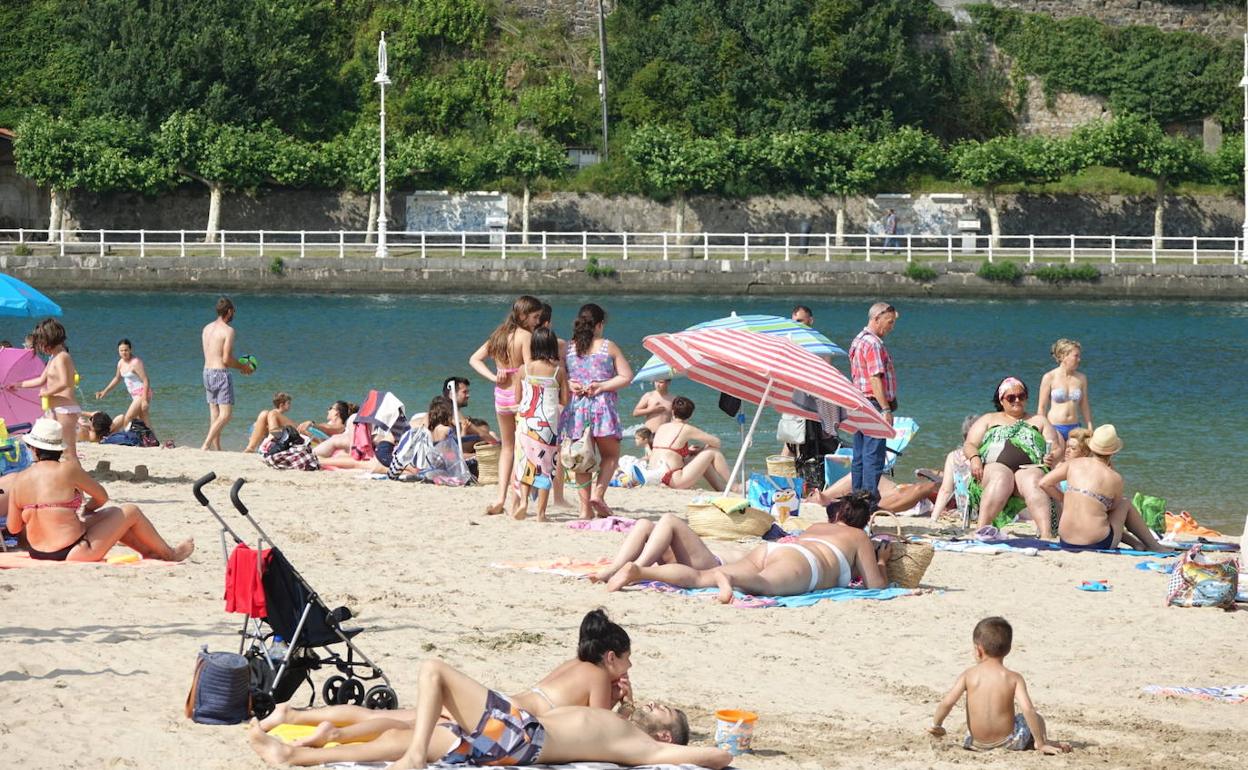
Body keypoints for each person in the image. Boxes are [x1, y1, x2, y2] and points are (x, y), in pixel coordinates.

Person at [260, 608, 635, 752]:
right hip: (509, 717)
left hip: (508, 701)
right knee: (399, 723)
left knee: (408, 716)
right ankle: (333, 735)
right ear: (610, 656)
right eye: (626, 660)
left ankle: (291, 716)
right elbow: (601, 732)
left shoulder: (575, 663)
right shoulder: (599, 675)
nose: (629, 667)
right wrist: (625, 704)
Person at [248, 658, 725, 770]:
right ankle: (296, 758)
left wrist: (723, 744)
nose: (652, 704)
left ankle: (414, 759)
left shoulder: (642, 747)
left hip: (523, 735)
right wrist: (628, 704)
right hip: (511, 744)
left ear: (667, 737)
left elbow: (716, 759)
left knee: (434, 671)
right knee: (404, 738)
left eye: (662, 711)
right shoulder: (622, 725)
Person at [608, 492, 892, 603]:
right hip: (806, 563)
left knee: (698, 580)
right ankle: (728, 579)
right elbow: (876, 587)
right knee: (762, 585)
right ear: (860, 523)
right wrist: (881, 561)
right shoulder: (858, 537)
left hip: (775, 549)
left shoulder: (816, 528)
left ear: (837, 516)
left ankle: (641, 570)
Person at [5, 419, 193, 562]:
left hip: (37, 552)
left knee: (111, 515)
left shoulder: (20, 478)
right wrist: (87, 509)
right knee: (130, 511)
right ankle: (170, 553)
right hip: (72, 551)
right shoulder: (68, 469)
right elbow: (101, 497)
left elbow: (13, 527)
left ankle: (149, 552)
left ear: (33, 449)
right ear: (58, 449)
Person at [928, 617, 1071, 754]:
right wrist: (1040, 741)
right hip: (1009, 742)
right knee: (1036, 717)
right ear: (1008, 649)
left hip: (975, 742)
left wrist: (937, 725)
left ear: (978, 650)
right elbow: (1028, 709)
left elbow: (947, 702)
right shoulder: (1014, 678)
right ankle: (1041, 742)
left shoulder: (968, 675)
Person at [559, 303, 633, 519]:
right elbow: (626, 377)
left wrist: (571, 383)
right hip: (602, 407)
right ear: (600, 325)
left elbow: (560, 376)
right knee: (610, 455)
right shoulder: (608, 347)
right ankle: (598, 494)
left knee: (581, 458)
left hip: (577, 408)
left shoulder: (569, 349)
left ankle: (584, 511)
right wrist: (601, 385)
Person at [964, 377, 1062, 539]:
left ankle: (1046, 534)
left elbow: (1057, 448)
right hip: (993, 469)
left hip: (1028, 470)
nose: (1017, 400)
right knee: (1002, 475)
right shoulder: (989, 419)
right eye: (1011, 397)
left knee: (1033, 480)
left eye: (1021, 396)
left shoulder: (1039, 420)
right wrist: (975, 458)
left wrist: (1051, 457)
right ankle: (981, 530)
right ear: (1001, 400)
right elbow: (970, 444)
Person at [470, 295, 542, 515]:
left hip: (501, 395)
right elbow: (529, 369)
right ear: (523, 315)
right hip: (521, 397)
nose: (537, 321)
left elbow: (474, 359)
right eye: (535, 316)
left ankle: (500, 498)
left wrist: (493, 377)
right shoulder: (526, 336)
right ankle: (517, 499)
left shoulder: (499, 335)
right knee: (524, 449)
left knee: (507, 447)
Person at [591, 512, 749, 587]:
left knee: (669, 520)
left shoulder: (755, 555)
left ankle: (635, 569)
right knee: (645, 523)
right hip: (702, 562)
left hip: (710, 568)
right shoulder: (760, 553)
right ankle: (615, 569)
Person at [1037, 424, 1130, 550]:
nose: (1067, 450)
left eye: (1072, 448)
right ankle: (1152, 544)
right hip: (1097, 542)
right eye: (1067, 446)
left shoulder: (1072, 465)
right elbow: (1114, 507)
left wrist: (1065, 498)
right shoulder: (1114, 477)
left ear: (1088, 449)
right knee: (1124, 504)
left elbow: (1043, 483)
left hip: (1065, 540)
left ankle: (1139, 543)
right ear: (1113, 452)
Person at [512, 328, 568, 521]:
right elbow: (565, 400)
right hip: (547, 426)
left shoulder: (523, 369)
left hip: (525, 422)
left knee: (525, 463)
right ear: (552, 346)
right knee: (545, 467)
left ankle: (524, 503)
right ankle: (541, 514)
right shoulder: (558, 371)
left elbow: (517, 397)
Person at [847, 302, 899, 499]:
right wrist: (886, 409)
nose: (891, 327)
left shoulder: (858, 341)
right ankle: (868, 499)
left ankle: (856, 498)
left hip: (858, 403)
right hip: (873, 403)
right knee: (873, 456)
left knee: (860, 455)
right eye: (889, 322)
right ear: (876, 318)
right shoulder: (873, 343)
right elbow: (875, 377)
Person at [11, 319, 81, 462]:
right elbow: (41, 380)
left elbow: (65, 382)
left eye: (42, 344)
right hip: (53, 408)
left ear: (51, 340)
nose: (41, 348)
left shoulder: (62, 357)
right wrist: (18, 384)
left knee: (68, 452)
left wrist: (47, 392)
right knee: (43, 444)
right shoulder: (53, 358)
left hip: (65, 409)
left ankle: (79, 482)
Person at [201, 296, 255, 451]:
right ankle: (206, 444)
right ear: (229, 311)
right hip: (220, 373)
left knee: (214, 412)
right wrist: (243, 367)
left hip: (206, 372)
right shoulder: (228, 331)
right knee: (226, 415)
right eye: (233, 312)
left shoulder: (206, 328)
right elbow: (226, 359)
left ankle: (217, 447)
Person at [648, 396, 732, 490]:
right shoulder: (686, 428)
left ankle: (721, 489)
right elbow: (717, 442)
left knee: (696, 459)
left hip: (654, 475)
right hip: (672, 479)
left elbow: (667, 452)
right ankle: (734, 486)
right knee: (713, 452)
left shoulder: (661, 427)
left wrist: (689, 451)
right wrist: (703, 449)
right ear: (690, 415)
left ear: (672, 411)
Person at [1037, 338, 1093, 442]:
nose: (1079, 359)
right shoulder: (1049, 377)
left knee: (1075, 457)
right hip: (1054, 427)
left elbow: (1084, 404)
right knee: (1056, 457)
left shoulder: (1081, 378)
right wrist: (1041, 430)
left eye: (1079, 356)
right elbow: (1042, 407)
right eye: (1076, 356)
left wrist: (1089, 426)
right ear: (1063, 356)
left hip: (1075, 428)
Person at [93, 338, 152, 432]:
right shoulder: (120, 363)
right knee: (143, 420)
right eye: (121, 350)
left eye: (126, 350)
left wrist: (144, 400)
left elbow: (146, 380)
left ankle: (127, 437)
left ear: (130, 350)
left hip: (142, 393)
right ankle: (152, 441)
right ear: (118, 351)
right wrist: (104, 391)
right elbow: (117, 378)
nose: (124, 352)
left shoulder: (136, 362)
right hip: (134, 395)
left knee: (128, 418)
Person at [929, 415, 979, 523]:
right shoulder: (987, 455)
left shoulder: (953, 456)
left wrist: (934, 517)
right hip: (990, 515)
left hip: (965, 514)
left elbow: (946, 490)